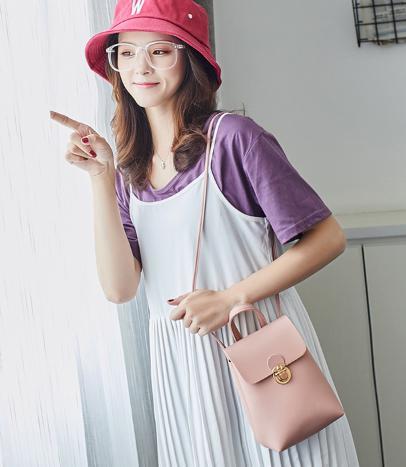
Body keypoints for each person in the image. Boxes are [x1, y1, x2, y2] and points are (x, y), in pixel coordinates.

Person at [50, 0, 360, 465]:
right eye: (126, 53)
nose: (140, 67)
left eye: (159, 51)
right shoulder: (129, 170)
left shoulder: (234, 138)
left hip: (259, 350)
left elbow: (328, 238)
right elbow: (119, 288)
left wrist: (230, 298)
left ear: (189, 58)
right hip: (183, 373)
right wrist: (101, 175)